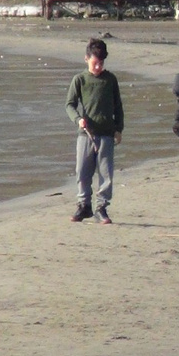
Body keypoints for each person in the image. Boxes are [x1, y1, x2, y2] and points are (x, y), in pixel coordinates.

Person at [65, 38, 124, 224]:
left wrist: (119, 129)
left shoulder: (110, 80)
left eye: (101, 63)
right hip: (86, 135)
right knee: (82, 171)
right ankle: (84, 206)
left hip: (107, 133)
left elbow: (118, 107)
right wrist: (78, 119)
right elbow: (69, 105)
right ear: (86, 59)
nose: (98, 67)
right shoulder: (79, 80)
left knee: (106, 174)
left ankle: (101, 208)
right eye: (94, 63)